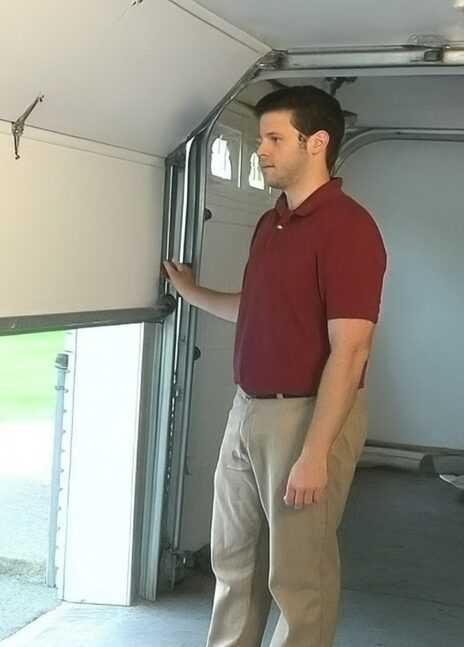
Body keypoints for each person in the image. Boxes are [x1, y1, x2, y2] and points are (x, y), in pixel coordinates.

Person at [163, 85, 387, 647]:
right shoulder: (273, 222)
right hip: (248, 411)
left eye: (273, 138)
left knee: (298, 576)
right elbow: (257, 307)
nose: (260, 149)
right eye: (261, 137)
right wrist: (192, 293)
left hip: (307, 417)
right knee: (234, 562)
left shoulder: (348, 228)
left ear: (317, 143)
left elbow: (352, 349)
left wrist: (314, 455)